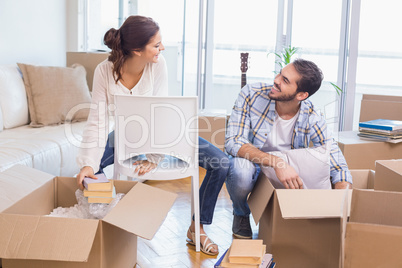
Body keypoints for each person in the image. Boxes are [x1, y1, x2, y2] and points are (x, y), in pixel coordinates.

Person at [75, 15, 228, 255]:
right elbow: (97, 121)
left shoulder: (158, 65)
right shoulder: (104, 71)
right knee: (89, 172)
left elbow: (160, 115)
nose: (162, 48)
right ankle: (111, 229)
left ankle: (196, 229)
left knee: (222, 163)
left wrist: (153, 157)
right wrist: (87, 163)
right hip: (125, 136)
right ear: (136, 50)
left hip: (166, 132)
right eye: (156, 45)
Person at [225, 58, 353, 239]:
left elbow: (336, 160)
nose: (276, 80)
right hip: (254, 164)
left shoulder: (312, 115)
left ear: (301, 95)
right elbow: (233, 141)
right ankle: (241, 214)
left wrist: (342, 206)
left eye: (285, 80)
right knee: (240, 172)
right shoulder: (251, 94)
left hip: (283, 176)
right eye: (280, 74)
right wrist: (278, 163)